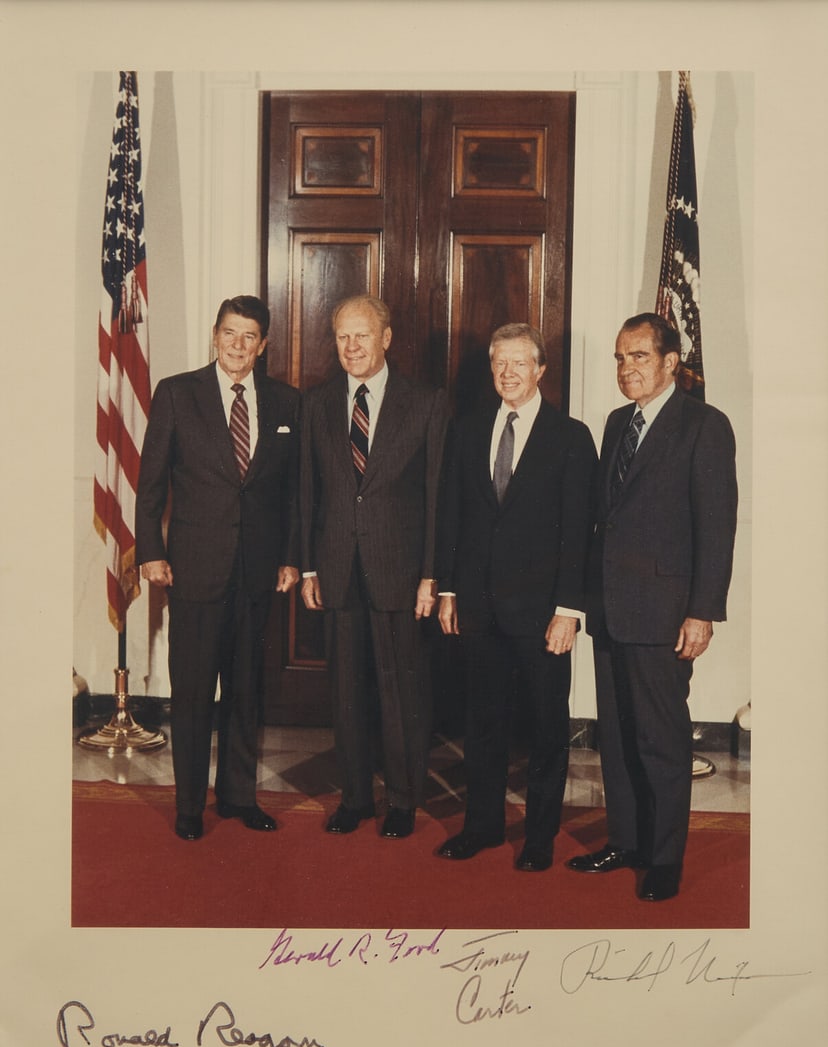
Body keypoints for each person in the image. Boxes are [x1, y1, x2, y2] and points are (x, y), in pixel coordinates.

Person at [567, 312, 738, 900]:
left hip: (665, 612)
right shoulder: (617, 423)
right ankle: (627, 841)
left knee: (661, 740)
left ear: (670, 362)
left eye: (638, 356)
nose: (626, 368)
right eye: (619, 357)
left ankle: (664, 858)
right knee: (615, 736)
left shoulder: (704, 425)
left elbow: (717, 528)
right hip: (611, 608)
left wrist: (703, 612)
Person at [135, 295, 300, 841]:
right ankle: (189, 805)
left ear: (263, 345)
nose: (238, 344)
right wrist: (151, 552)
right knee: (192, 692)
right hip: (194, 570)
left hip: (256, 573)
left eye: (249, 336)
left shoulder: (285, 403)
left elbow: (292, 495)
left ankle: (237, 797)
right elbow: (151, 483)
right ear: (214, 335)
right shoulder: (178, 394)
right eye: (230, 333)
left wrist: (290, 558)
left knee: (247, 692)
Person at [435, 323, 598, 871]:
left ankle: (539, 839)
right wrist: (451, 588)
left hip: (543, 615)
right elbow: (453, 515)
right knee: (482, 724)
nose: (507, 374)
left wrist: (569, 611)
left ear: (541, 370)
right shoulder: (469, 429)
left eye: (519, 363)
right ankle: (479, 828)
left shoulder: (571, 437)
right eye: (499, 363)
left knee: (547, 729)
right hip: (480, 608)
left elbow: (580, 530)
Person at [300, 294, 449, 839]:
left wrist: (431, 575)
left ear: (386, 339)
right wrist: (310, 569)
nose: (352, 346)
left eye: (362, 335)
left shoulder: (426, 402)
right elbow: (306, 493)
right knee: (346, 693)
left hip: (400, 574)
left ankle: (404, 799)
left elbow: (436, 495)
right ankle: (356, 797)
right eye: (342, 336)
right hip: (337, 569)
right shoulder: (315, 404)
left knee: (401, 693)